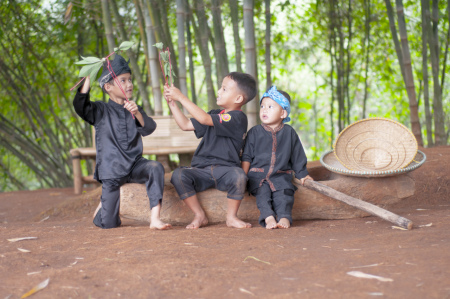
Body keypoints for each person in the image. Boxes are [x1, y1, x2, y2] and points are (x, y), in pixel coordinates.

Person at [73, 54, 171, 230]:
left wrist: (138, 114)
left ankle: (155, 218)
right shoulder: (99, 110)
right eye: (123, 80)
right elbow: (81, 106)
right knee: (108, 224)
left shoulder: (133, 108)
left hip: (135, 165)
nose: (130, 84)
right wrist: (88, 75)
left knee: (155, 167)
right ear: (108, 86)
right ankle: (103, 209)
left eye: (130, 80)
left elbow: (149, 128)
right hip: (112, 170)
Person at [163, 72, 257, 229]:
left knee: (239, 175)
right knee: (179, 175)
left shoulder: (238, 118)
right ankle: (199, 215)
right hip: (202, 170)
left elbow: (204, 119)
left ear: (238, 99)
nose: (219, 91)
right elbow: (185, 125)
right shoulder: (214, 114)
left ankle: (231, 217)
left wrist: (181, 97)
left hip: (226, 171)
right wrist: (173, 104)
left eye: (224, 89)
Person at [241, 86, 313, 229]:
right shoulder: (254, 132)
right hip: (257, 175)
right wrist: (242, 175)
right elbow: (247, 156)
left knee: (285, 194)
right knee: (263, 194)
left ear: (283, 113)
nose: (264, 110)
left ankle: (284, 217)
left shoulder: (289, 133)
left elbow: (297, 156)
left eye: (270, 106)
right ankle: (268, 218)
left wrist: (303, 174)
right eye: (262, 106)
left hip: (280, 176)